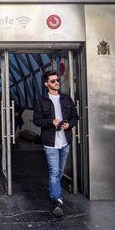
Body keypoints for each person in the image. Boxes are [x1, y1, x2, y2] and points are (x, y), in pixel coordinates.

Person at [32, 71, 79, 218]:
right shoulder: (41, 101)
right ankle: (58, 201)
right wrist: (51, 121)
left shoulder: (66, 98)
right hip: (50, 142)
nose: (56, 82)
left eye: (57, 80)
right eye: (53, 81)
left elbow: (75, 116)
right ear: (46, 84)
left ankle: (53, 192)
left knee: (59, 171)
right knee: (54, 171)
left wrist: (69, 125)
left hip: (65, 141)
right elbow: (37, 120)